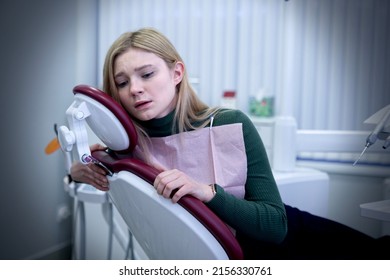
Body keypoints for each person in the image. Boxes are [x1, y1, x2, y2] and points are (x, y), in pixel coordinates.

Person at [70, 27, 389, 259]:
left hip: (289, 243)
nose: (135, 89)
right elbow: (92, 169)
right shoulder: (128, 148)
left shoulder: (228, 123)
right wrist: (79, 171)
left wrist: (206, 193)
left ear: (177, 72)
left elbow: (276, 226)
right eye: (122, 83)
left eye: (147, 74)